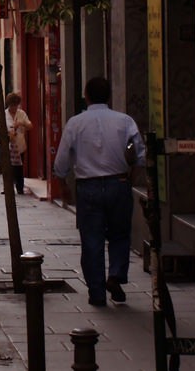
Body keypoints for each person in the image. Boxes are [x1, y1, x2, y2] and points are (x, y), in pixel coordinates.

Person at [53, 77, 144, 307]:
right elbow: (140, 154)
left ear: (87, 95)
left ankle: (97, 292)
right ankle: (115, 275)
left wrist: (62, 182)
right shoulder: (125, 121)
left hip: (88, 187)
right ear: (109, 96)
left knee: (91, 240)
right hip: (118, 183)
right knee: (120, 234)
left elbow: (62, 158)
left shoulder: (75, 123)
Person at [5, 92, 34, 195]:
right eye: (12, 105)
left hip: (20, 145)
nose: (14, 107)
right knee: (9, 168)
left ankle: (20, 188)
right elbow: (0, 129)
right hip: (8, 146)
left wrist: (21, 123)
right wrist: (9, 133)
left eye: (16, 105)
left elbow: (30, 126)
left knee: (19, 168)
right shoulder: (4, 114)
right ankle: (8, 187)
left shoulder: (21, 113)